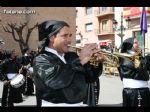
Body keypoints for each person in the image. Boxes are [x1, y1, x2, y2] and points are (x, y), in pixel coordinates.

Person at [33, 20, 104, 107]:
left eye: (70, 35)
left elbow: (90, 78)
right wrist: (81, 60)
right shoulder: (41, 59)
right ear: (52, 37)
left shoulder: (72, 56)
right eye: (65, 36)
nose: (69, 40)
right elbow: (56, 80)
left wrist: (97, 64)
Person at [118, 37, 150, 107]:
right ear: (130, 45)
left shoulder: (136, 56)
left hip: (142, 90)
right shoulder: (126, 58)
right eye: (135, 43)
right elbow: (142, 72)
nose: (138, 44)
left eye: (137, 42)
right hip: (134, 92)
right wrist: (146, 60)